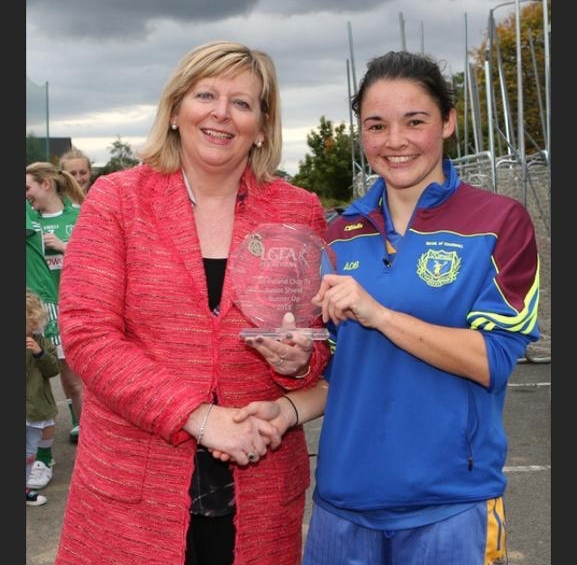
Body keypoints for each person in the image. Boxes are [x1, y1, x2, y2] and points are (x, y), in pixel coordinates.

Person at [231, 50, 541, 565]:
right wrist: (287, 400)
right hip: (342, 504)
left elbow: (493, 360)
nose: (394, 141)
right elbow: (343, 371)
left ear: (447, 121)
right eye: (376, 126)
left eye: (414, 121)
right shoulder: (337, 235)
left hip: (450, 505)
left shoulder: (499, 223)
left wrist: (380, 315)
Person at [54, 40, 330, 565]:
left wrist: (300, 360)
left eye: (243, 102)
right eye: (206, 94)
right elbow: (88, 334)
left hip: (260, 487)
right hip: (132, 489)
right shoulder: (117, 199)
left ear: (263, 126)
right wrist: (198, 416)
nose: (221, 113)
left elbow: (319, 342)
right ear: (177, 110)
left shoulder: (298, 210)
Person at [26, 162, 84, 447]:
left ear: (46, 184)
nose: (26, 195)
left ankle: (86, 426)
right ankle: (71, 426)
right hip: (44, 309)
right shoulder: (31, 220)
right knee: (54, 371)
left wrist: (64, 247)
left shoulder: (81, 215)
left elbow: (100, 256)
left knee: (75, 376)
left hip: (77, 303)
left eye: (28, 188)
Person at [26, 288, 61, 507]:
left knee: (30, 451)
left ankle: (26, 487)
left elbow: (53, 369)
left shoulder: (42, 342)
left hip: (37, 405)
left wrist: (40, 353)